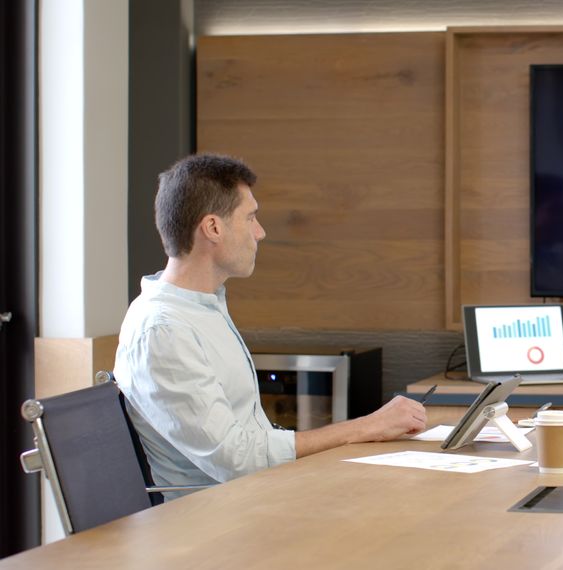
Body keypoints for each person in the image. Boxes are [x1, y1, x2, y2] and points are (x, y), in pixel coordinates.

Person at [114, 154, 426, 498]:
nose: (260, 233)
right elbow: (236, 459)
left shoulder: (203, 307)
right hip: (212, 521)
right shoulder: (163, 330)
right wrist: (367, 427)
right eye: (250, 218)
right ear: (213, 228)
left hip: (251, 499)